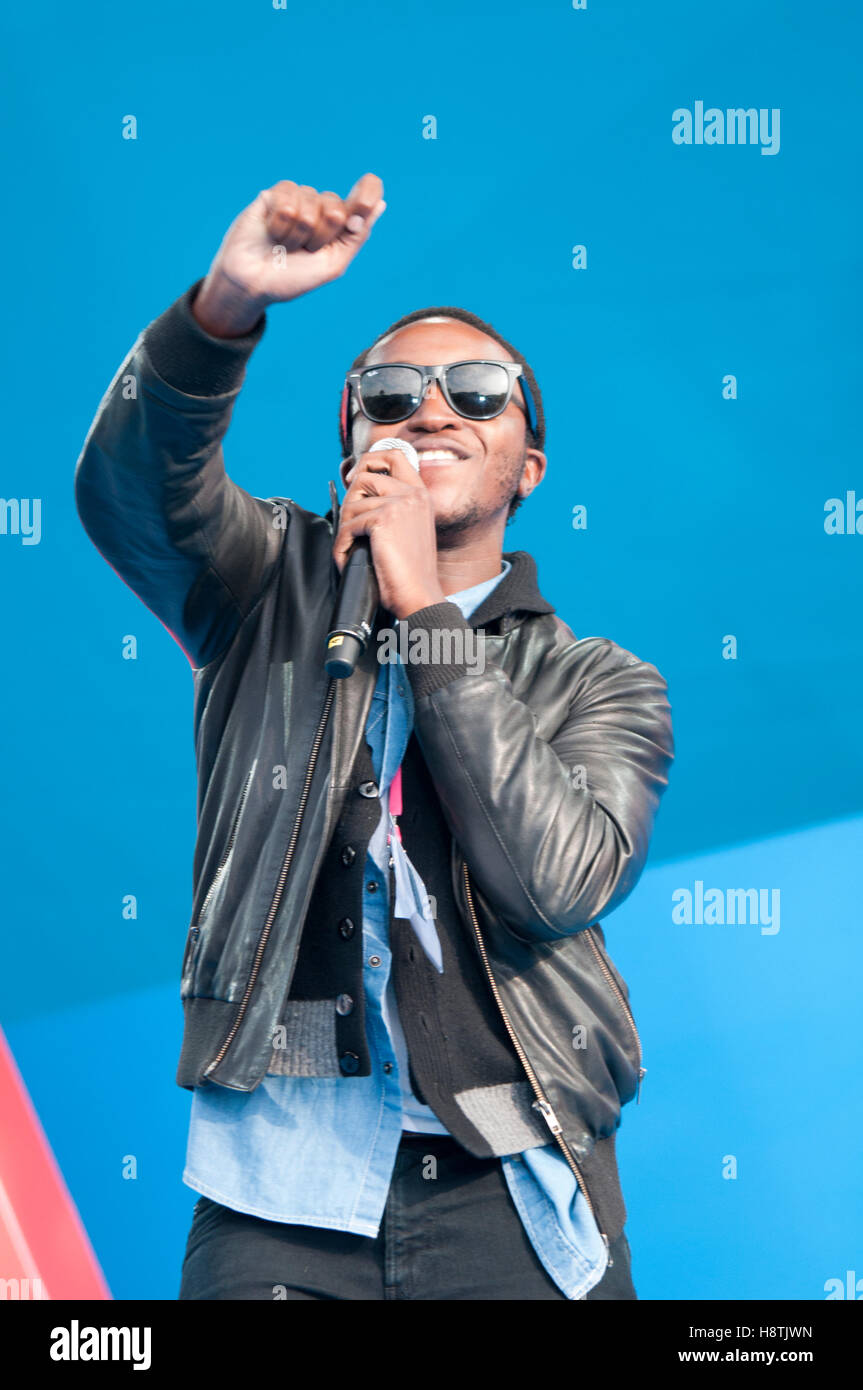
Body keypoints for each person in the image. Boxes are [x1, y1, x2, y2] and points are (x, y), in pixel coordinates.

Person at [74, 173, 674, 1300]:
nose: (430, 408)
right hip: (279, 1190)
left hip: (516, 1176)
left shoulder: (604, 682)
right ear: (351, 439)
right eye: (389, 392)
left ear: (527, 466)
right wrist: (224, 307)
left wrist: (427, 616)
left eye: (477, 391)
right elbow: (127, 492)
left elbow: (552, 882)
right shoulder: (265, 590)